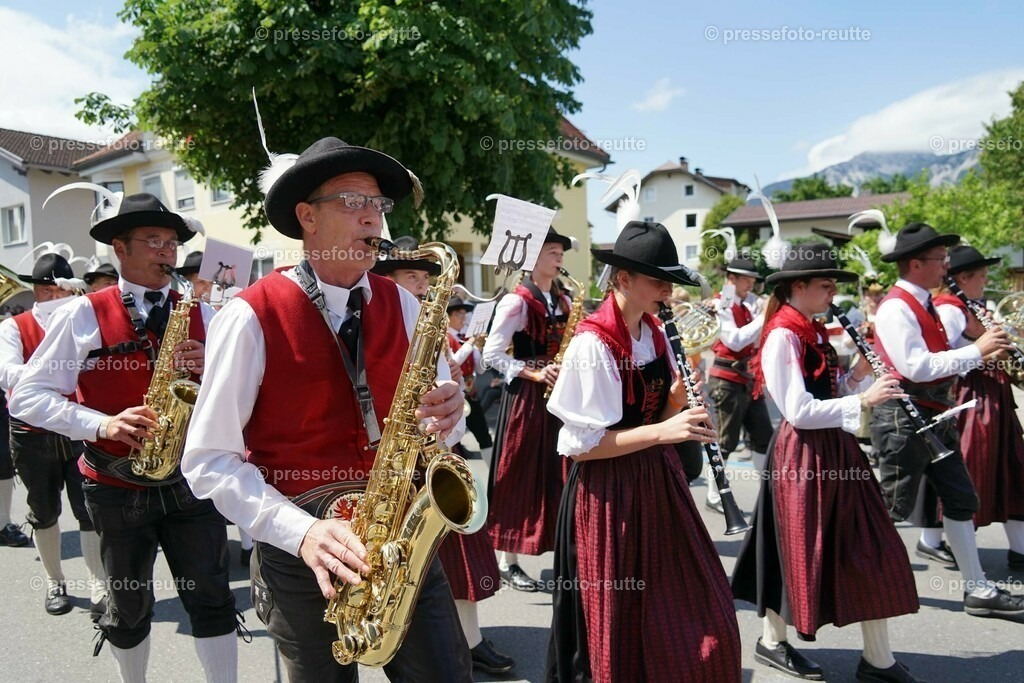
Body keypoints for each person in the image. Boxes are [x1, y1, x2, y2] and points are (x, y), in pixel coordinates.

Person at [181, 136, 473, 682]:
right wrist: (302, 532)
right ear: (306, 217)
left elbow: (438, 426)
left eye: (380, 207)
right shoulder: (248, 316)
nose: (374, 221)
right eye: (353, 203)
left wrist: (450, 415)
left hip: (399, 543)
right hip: (300, 553)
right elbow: (207, 462)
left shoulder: (406, 303)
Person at [10, 193, 238, 683]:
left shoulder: (205, 313)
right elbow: (27, 397)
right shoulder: (81, 314)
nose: (166, 252)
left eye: (172, 243)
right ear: (120, 248)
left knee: (213, 598)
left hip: (189, 482)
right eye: (153, 241)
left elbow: (245, 393)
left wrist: (215, 368)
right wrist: (102, 423)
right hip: (117, 486)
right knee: (128, 606)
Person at [545, 221, 741, 682]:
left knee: (697, 605)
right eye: (658, 281)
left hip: (656, 480)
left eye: (669, 283)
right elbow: (582, 448)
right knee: (620, 615)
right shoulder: (592, 344)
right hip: (609, 492)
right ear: (624, 280)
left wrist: (682, 397)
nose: (667, 293)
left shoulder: (654, 331)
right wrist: (666, 430)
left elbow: (658, 405)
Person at [732, 243, 922, 683]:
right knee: (796, 551)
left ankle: (877, 660)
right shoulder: (782, 334)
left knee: (870, 548)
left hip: (835, 450)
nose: (833, 291)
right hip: (803, 455)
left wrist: (859, 373)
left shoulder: (812, 329)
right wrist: (864, 398)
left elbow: (829, 397)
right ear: (798, 287)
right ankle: (772, 640)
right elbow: (797, 411)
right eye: (826, 283)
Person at [869, 223, 1024, 619]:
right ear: (916, 263)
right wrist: (977, 350)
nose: (947, 265)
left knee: (960, 498)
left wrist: (983, 343)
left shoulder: (925, 304)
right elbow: (915, 367)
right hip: (905, 417)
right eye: (940, 259)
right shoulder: (896, 306)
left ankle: (977, 589)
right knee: (891, 506)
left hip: (936, 413)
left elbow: (937, 358)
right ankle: (857, 578)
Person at [377, 249, 514, 675]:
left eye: (423, 278)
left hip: (434, 455)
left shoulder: (430, 327)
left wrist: (452, 391)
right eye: (411, 277)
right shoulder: (379, 321)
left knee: (460, 561)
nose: (420, 286)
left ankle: (468, 640)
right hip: (395, 462)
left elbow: (452, 407)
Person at [0, 254, 107, 617]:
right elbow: (8, 373)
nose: (51, 297)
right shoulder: (14, 327)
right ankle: (55, 581)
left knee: (88, 511)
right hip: (33, 434)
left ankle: (97, 584)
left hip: (76, 428)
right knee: (43, 511)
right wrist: (47, 369)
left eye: (59, 290)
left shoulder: (82, 320)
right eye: (46, 291)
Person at [482, 227, 572, 591]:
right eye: (552, 250)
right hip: (526, 400)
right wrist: (534, 373)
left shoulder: (562, 300)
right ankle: (507, 560)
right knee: (517, 475)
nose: (559, 255)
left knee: (557, 474)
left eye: (560, 251)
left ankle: (559, 550)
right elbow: (491, 355)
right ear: (533, 258)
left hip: (557, 397)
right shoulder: (516, 301)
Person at [933, 245, 1024, 569]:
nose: (985, 281)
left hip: (993, 395)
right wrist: (985, 351)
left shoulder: (971, 305)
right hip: (971, 398)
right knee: (974, 469)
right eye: (981, 276)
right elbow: (943, 360)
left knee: (1012, 470)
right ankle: (961, 549)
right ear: (962, 278)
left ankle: (1020, 549)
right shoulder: (949, 309)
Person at [706, 251, 773, 513]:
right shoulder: (723, 301)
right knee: (725, 441)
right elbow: (734, 340)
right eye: (747, 280)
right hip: (726, 380)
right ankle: (714, 495)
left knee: (764, 437)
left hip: (748, 379)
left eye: (753, 281)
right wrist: (762, 317)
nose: (752, 285)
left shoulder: (747, 303)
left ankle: (768, 495)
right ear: (731, 279)